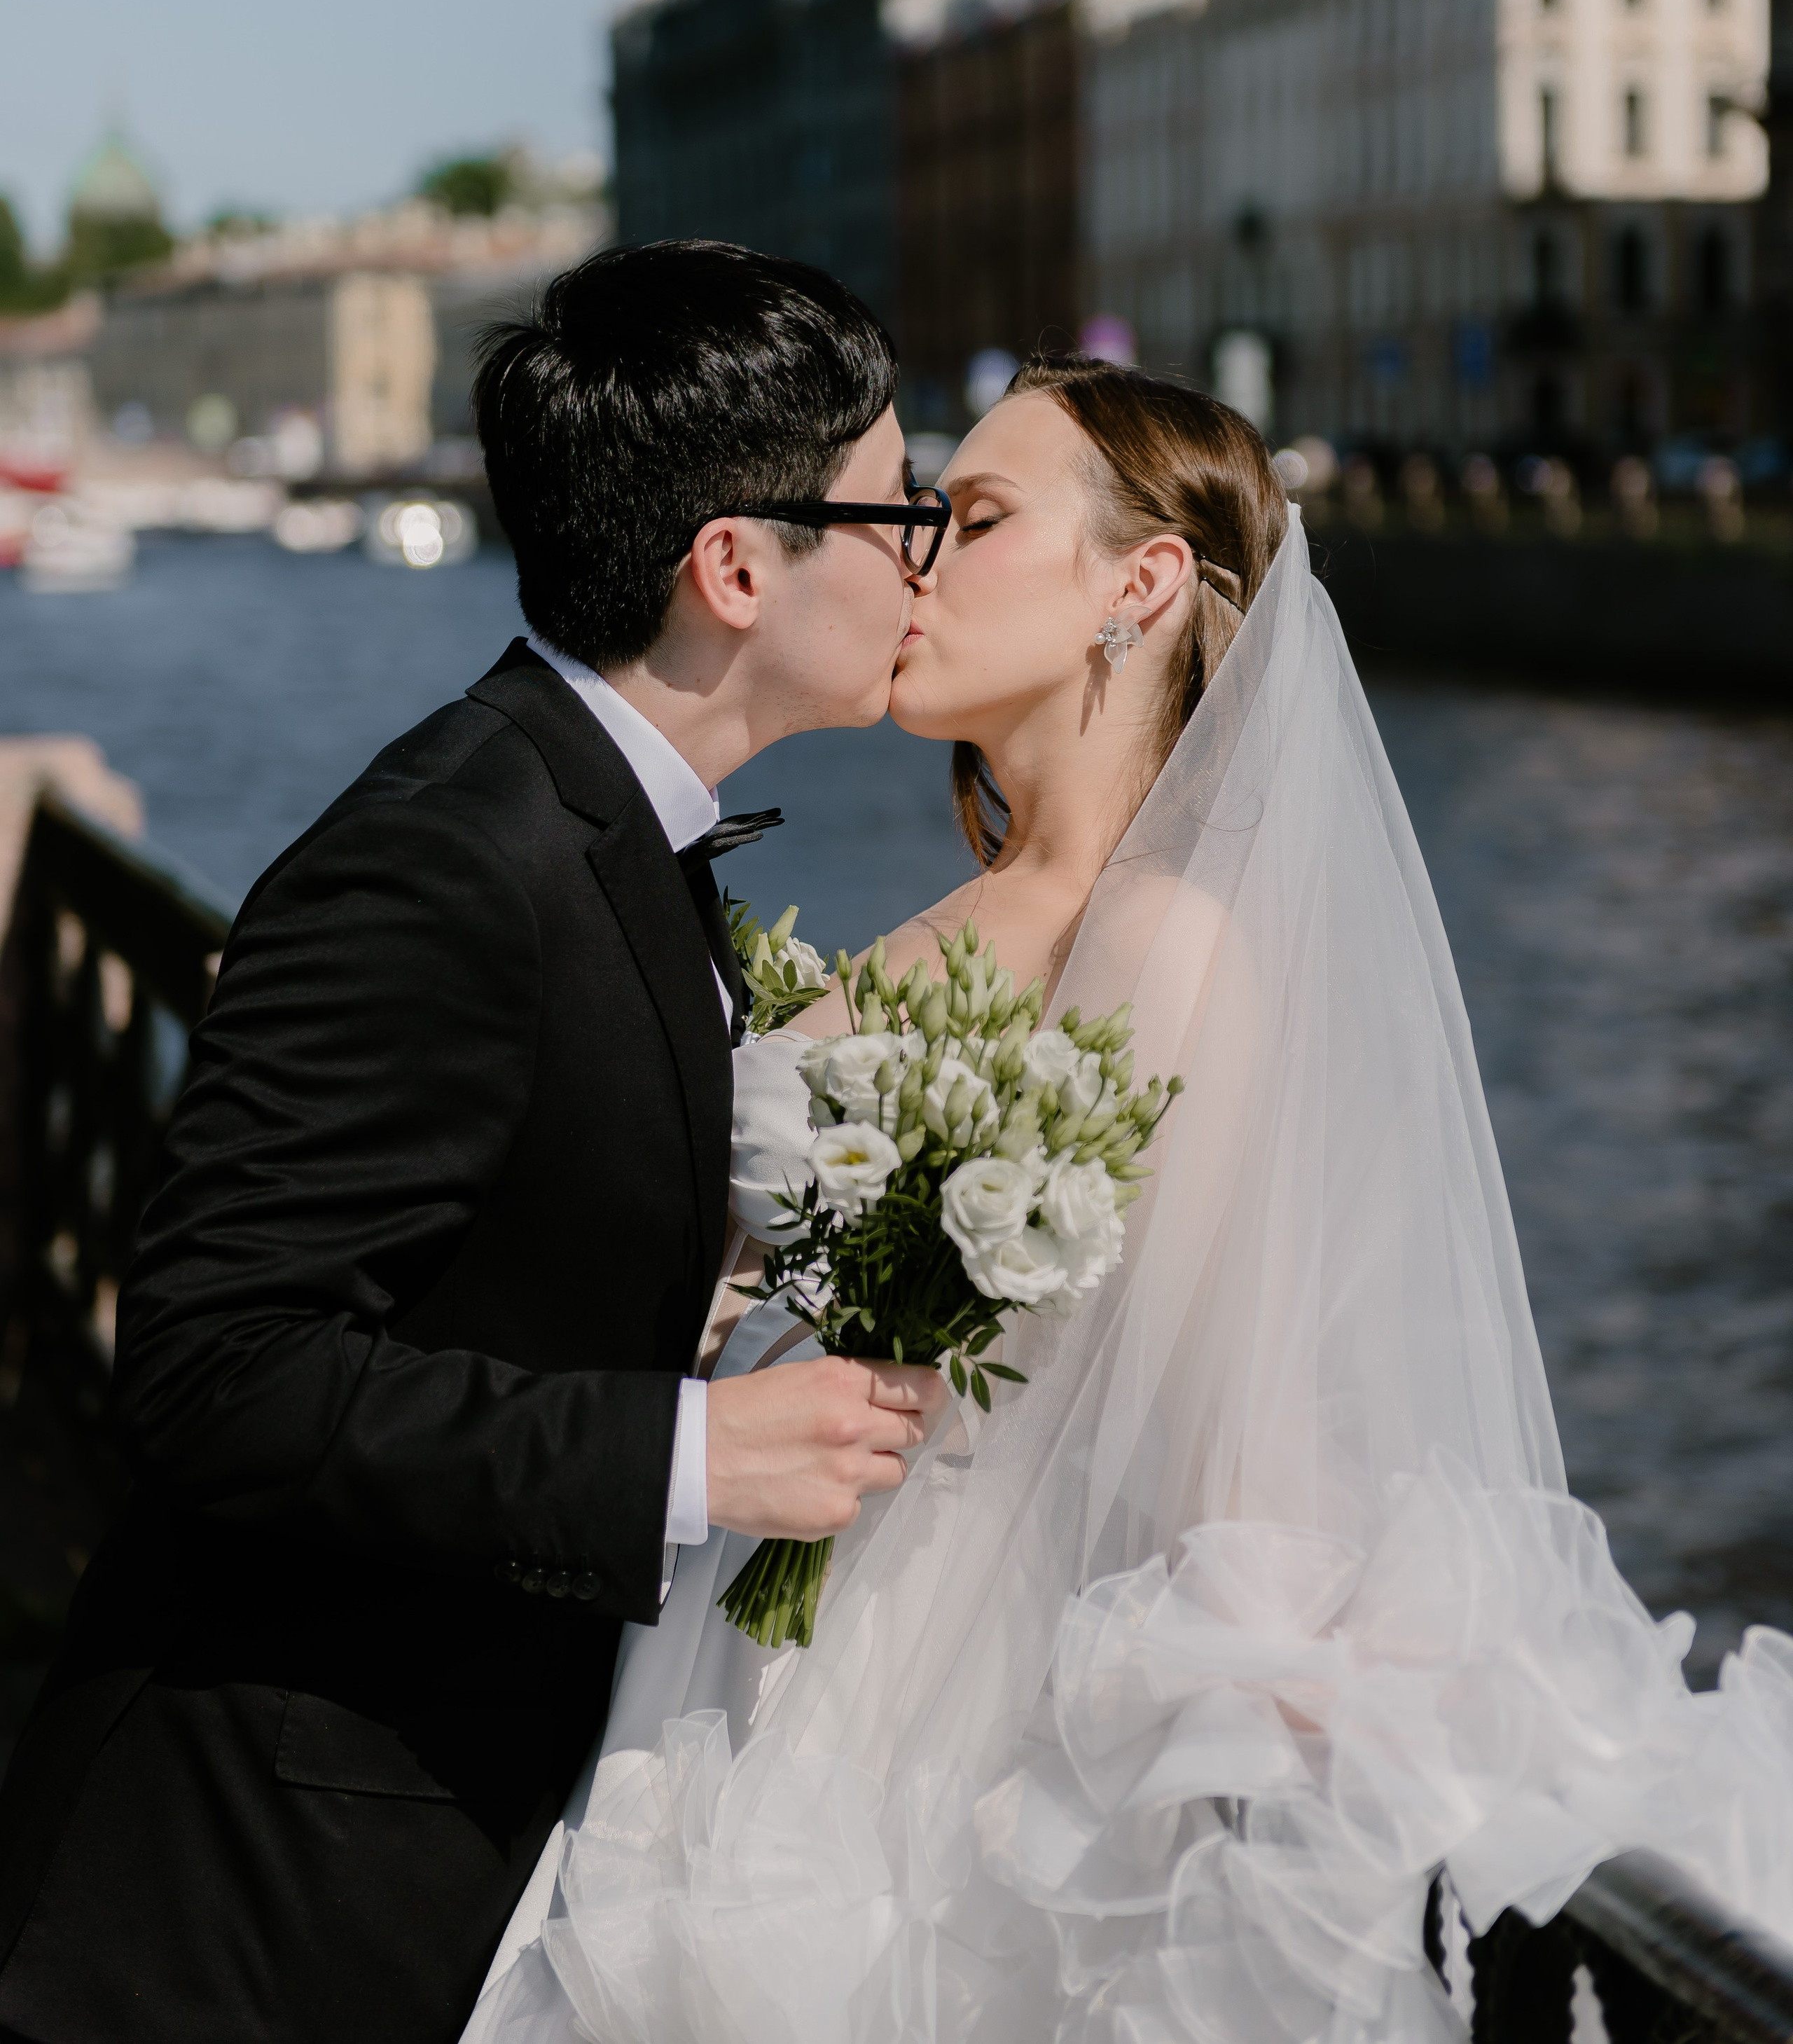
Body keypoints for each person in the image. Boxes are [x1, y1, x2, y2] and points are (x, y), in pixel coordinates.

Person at [473, 355, 1793, 2044]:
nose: (915, 554)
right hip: (754, 1628)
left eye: (976, 518)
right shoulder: (980, 907)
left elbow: (1221, 1419)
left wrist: (1294, 1711)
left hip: (920, 1698)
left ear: (1139, 584)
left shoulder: (1163, 939)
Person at [0, 242, 945, 2044]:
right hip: (236, 1907)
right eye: (897, 506)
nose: (924, 553)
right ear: (735, 567)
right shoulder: (442, 857)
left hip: (416, 1844)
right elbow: (210, 1367)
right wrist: (690, 1455)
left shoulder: (592, 818)